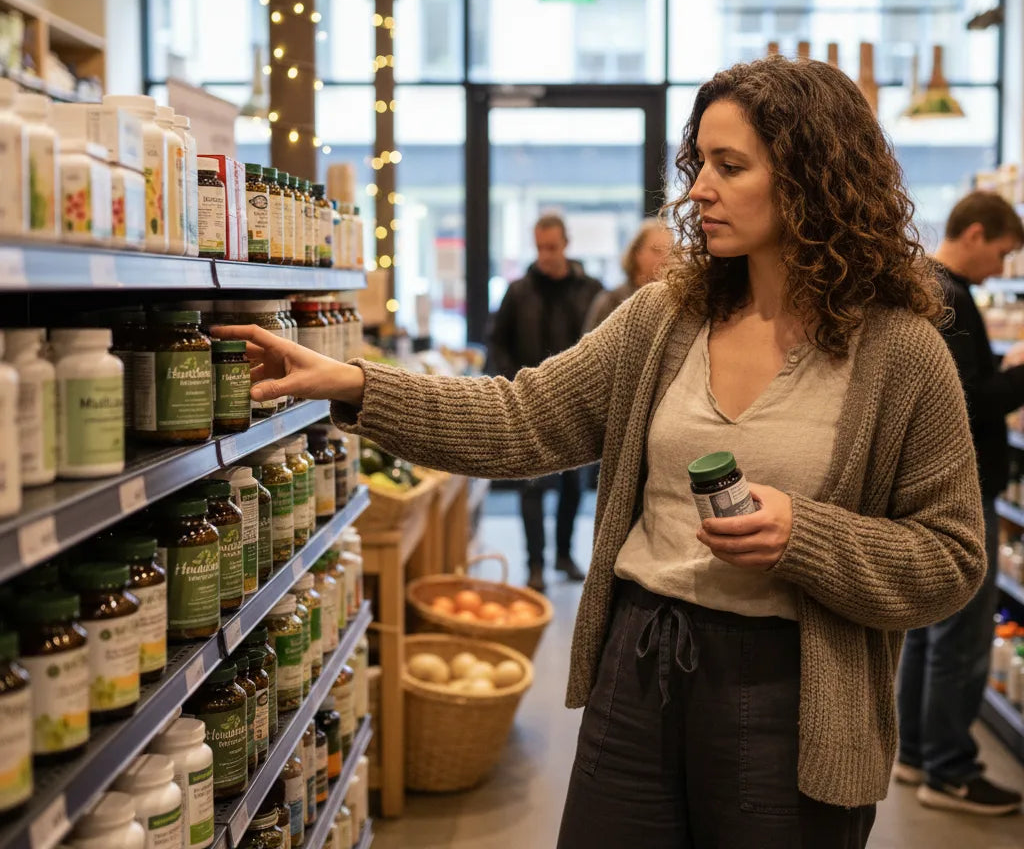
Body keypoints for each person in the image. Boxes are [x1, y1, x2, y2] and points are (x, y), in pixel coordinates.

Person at [213, 56, 985, 848]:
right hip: (640, 669)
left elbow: (952, 557)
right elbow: (522, 417)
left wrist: (807, 538)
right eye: (698, 165)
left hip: (791, 696)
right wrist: (352, 383)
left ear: (813, 176)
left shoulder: (900, 353)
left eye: (730, 167)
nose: (697, 190)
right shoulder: (664, 319)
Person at [895, 190, 1024, 816]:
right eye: (1002, 254)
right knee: (962, 638)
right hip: (964, 485)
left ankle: (917, 751)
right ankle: (949, 769)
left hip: (944, 480)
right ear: (974, 233)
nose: (1004, 269)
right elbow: (969, 403)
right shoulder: (946, 295)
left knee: (931, 629)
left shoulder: (933, 287)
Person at [487, 214, 603, 591]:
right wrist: (512, 382)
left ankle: (564, 555)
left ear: (566, 244)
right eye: (539, 247)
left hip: (575, 405)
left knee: (573, 488)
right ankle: (535, 565)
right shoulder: (518, 291)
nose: (546, 255)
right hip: (530, 405)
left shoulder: (591, 291)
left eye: (552, 247)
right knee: (531, 487)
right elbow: (497, 343)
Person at [583, 218, 673, 332]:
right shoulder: (611, 301)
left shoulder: (673, 304)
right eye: (656, 251)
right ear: (637, 252)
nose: (665, 259)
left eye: (670, 252)